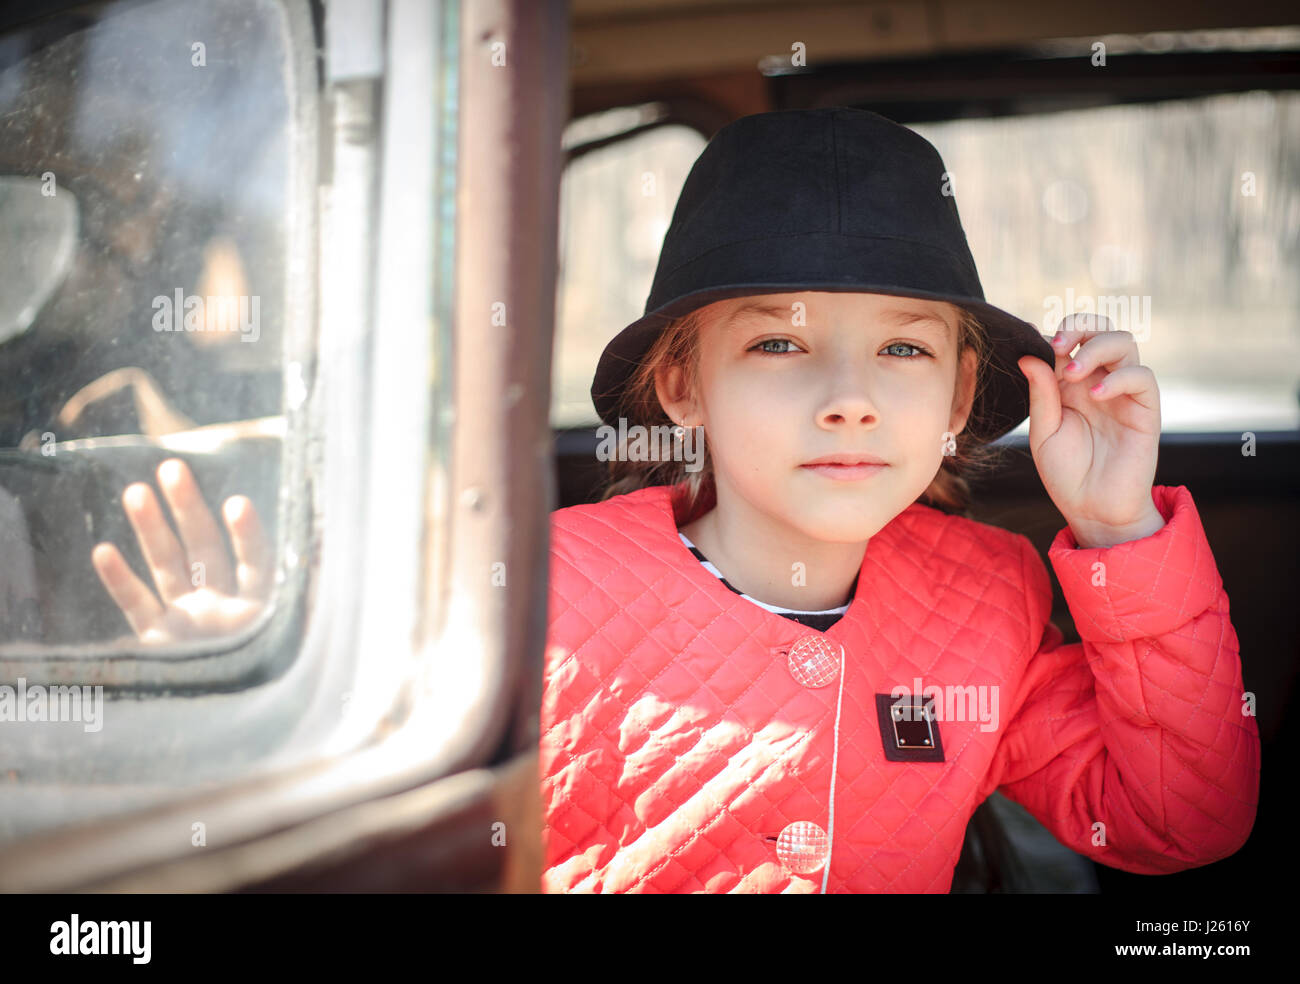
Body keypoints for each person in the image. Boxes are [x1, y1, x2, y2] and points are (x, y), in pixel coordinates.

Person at [540, 107, 1260, 893]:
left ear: (956, 400)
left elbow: (1175, 823)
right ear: (684, 388)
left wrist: (1118, 525)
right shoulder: (552, 593)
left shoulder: (989, 604)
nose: (851, 399)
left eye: (903, 348)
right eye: (778, 343)